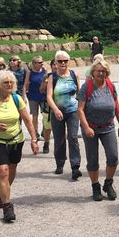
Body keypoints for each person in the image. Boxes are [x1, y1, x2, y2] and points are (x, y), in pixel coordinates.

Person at [0, 70, 39, 222]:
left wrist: (34, 139)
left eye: (12, 82)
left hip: (16, 140)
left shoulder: (16, 99)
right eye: (6, 82)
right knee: (3, 171)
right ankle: (7, 207)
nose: (10, 84)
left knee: (11, 169)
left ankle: (3, 194)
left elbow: (27, 120)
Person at [77, 56, 119, 201]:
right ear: (93, 72)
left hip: (108, 127)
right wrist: (86, 128)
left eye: (103, 71)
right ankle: (95, 186)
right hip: (91, 127)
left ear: (107, 72)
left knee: (113, 157)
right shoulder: (87, 87)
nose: (101, 73)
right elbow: (80, 110)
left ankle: (108, 184)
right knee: (93, 159)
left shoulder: (110, 86)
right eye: (98, 71)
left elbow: (116, 106)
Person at [46, 50, 82, 179]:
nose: (63, 63)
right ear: (55, 63)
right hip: (57, 112)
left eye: (65, 61)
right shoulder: (53, 77)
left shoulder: (74, 74)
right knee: (59, 139)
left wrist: (82, 108)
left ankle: (75, 166)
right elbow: (49, 97)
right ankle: (60, 163)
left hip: (73, 111)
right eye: (60, 61)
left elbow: (79, 93)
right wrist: (56, 110)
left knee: (73, 137)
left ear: (69, 62)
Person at [24, 56, 50, 152]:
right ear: (34, 63)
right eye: (39, 62)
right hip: (33, 96)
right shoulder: (29, 72)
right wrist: (24, 95)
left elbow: (48, 82)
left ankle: (44, 130)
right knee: (34, 116)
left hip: (43, 96)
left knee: (45, 115)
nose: (41, 64)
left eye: (42, 62)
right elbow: (26, 84)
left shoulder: (45, 70)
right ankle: (35, 132)